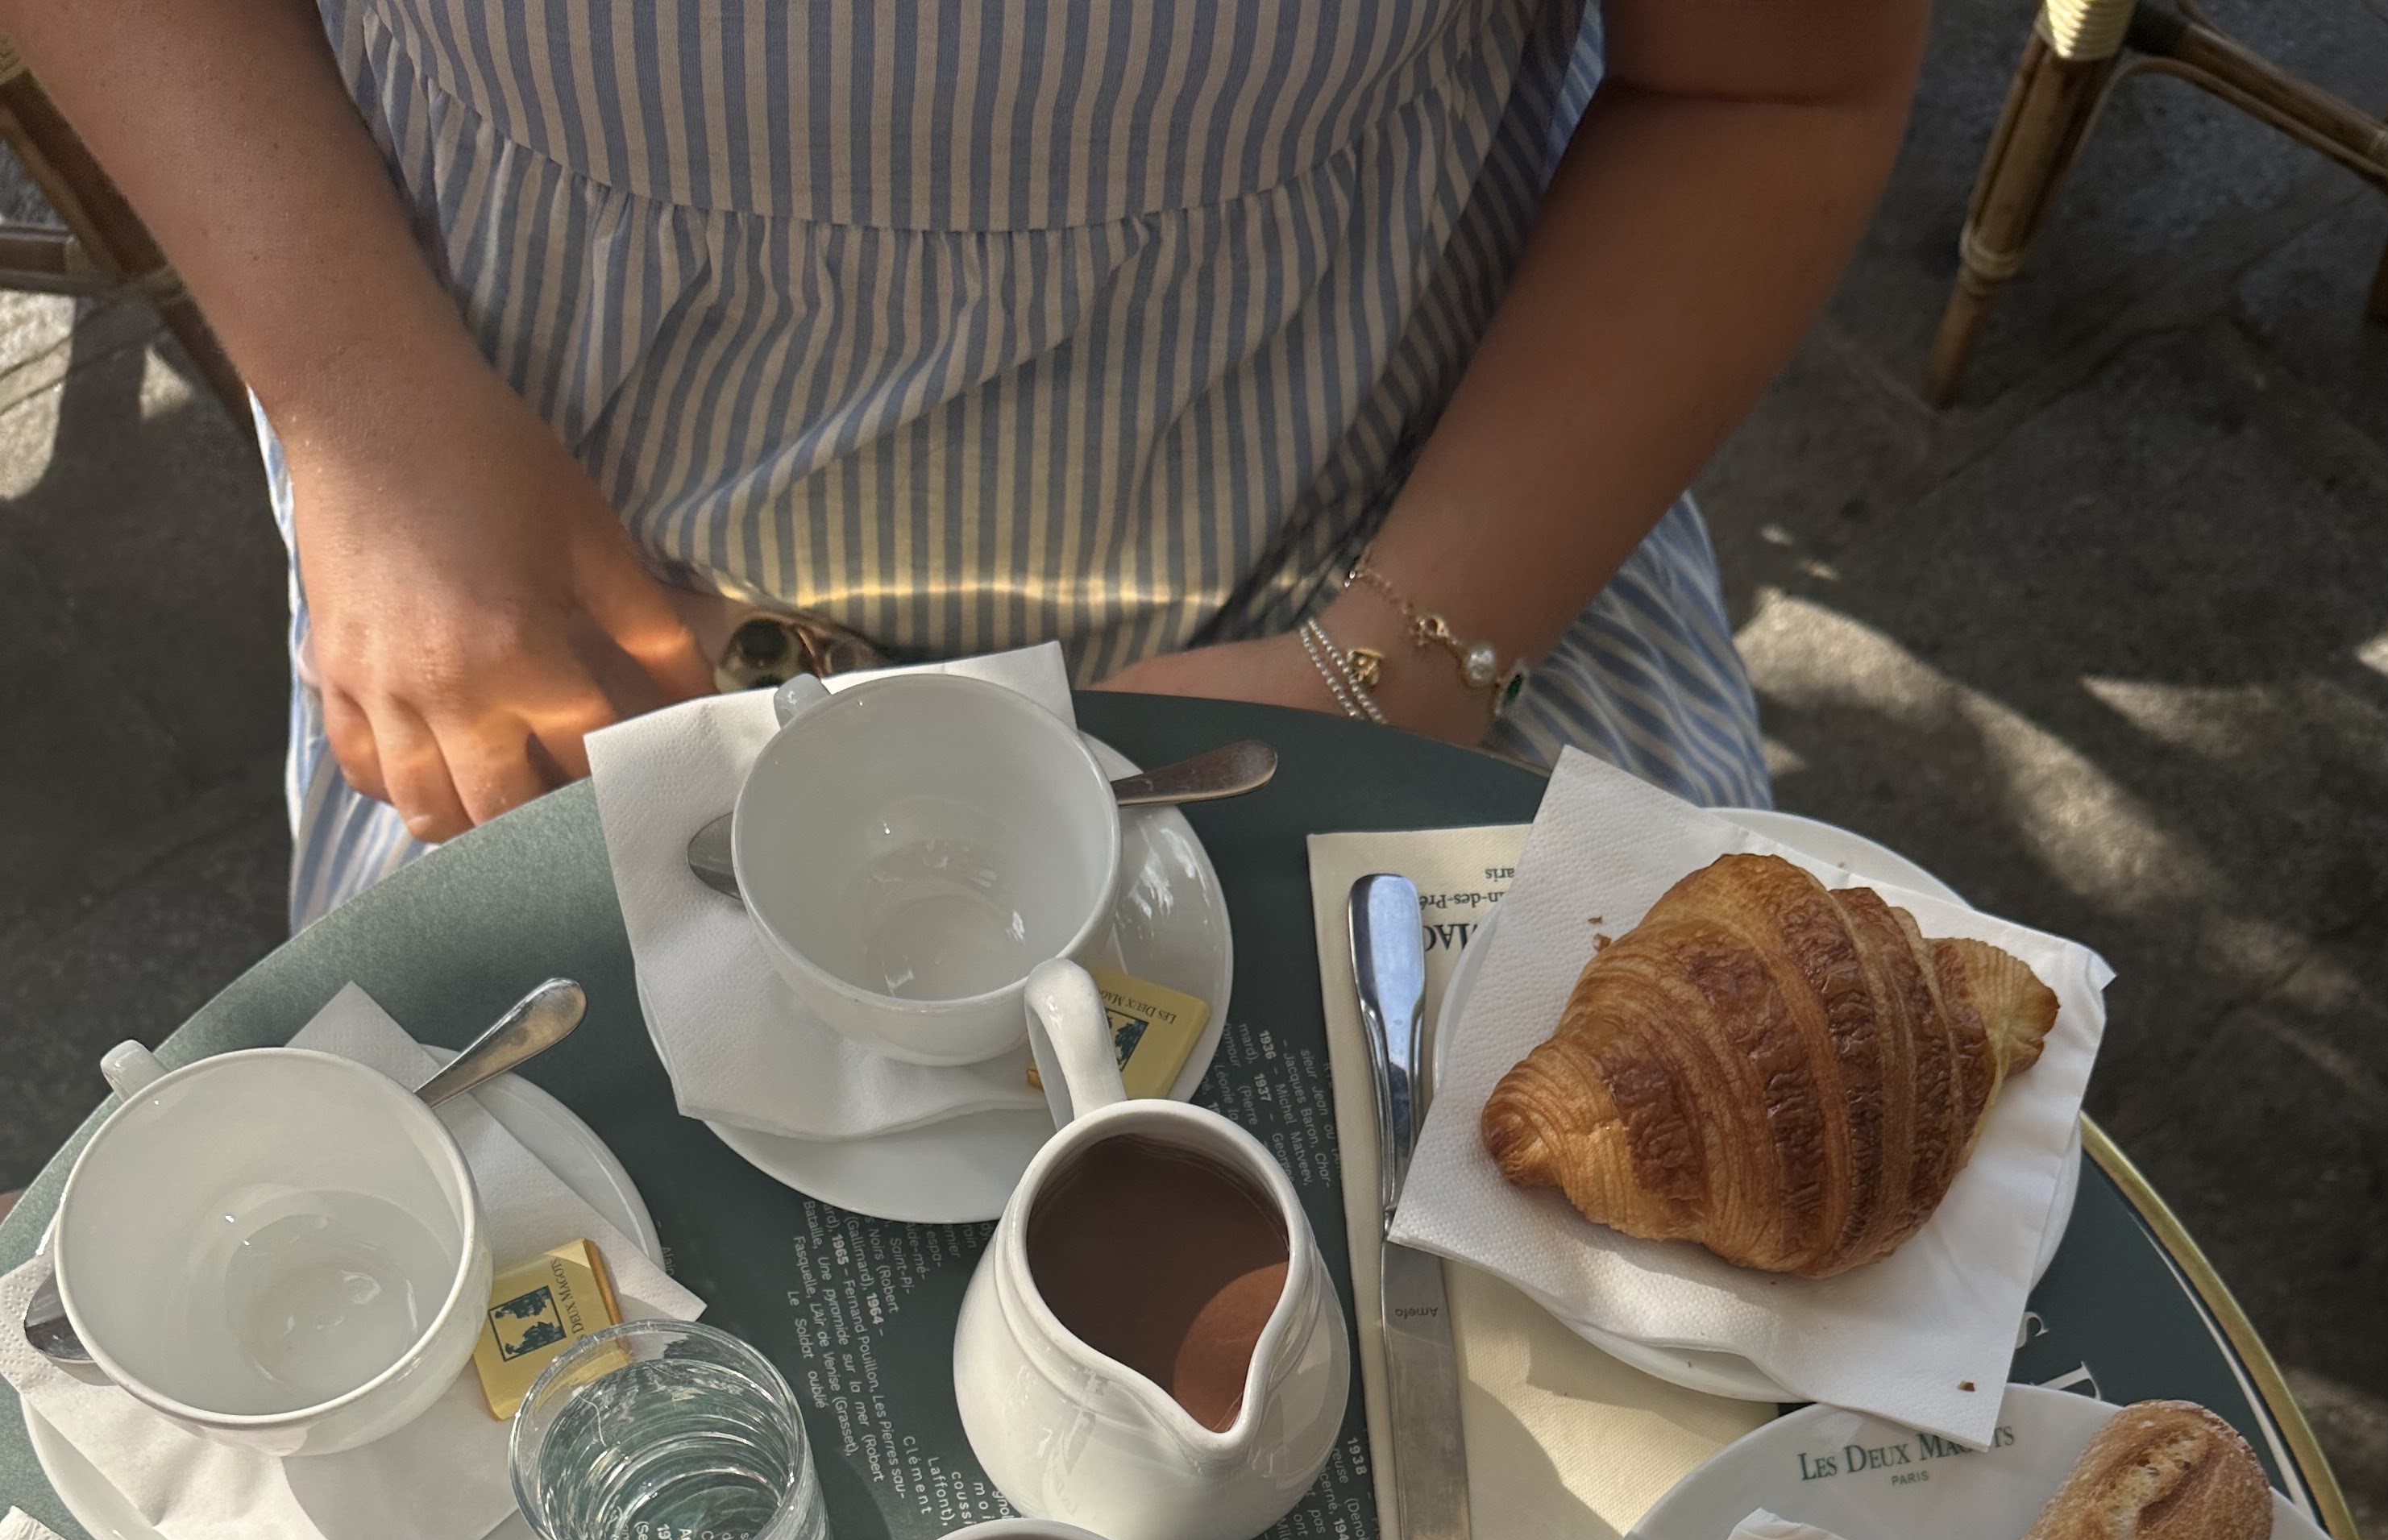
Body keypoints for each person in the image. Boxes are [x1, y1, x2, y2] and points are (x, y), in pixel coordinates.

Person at [6, 0, 1927, 930]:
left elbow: (1770, 78)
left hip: (1400, 594)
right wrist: (362, 409)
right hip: (551, 639)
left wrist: (1410, 656)